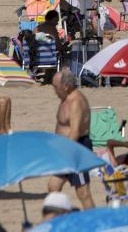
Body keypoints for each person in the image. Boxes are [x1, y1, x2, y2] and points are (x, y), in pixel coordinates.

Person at [47, 70, 95, 209]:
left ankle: (94, 220)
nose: (54, 90)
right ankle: (63, 217)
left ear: (66, 86)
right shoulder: (65, 99)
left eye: (55, 86)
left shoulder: (76, 102)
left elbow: (75, 132)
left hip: (76, 149)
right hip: (65, 149)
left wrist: (63, 151)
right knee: (53, 186)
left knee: (83, 192)